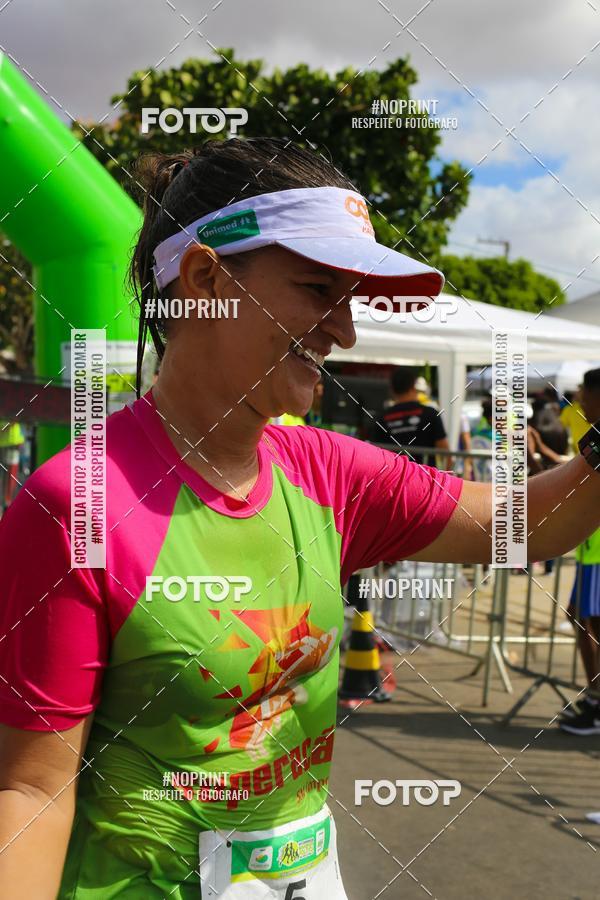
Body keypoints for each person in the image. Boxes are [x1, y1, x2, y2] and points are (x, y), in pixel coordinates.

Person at [2, 139, 600, 899]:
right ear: (206, 278)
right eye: (319, 289)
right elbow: (30, 794)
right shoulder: (77, 504)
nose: (344, 331)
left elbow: (523, 526)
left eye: (350, 299)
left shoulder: (326, 470)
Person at [560, 368, 600, 735]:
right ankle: (595, 696)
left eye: (585, 396)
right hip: (591, 548)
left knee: (592, 623)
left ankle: (598, 702)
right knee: (579, 617)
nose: (580, 403)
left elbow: (574, 481)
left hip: (597, 551)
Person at [369, 366, 450, 466]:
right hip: (426, 477)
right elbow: (445, 451)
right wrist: (447, 476)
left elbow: (375, 454)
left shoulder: (381, 419)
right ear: (413, 387)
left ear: (392, 390)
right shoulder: (430, 414)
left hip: (394, 478)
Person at [0, 419, 25, 510]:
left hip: (12, 443)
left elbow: (15, 417)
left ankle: (8, 504)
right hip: (8, 443)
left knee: (10, 475)